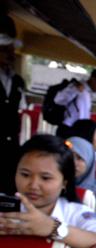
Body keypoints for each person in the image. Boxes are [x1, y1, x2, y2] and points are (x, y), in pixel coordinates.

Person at [0, 135, 96, 248]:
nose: (33, 185)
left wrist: (52, 228)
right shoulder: (5, 205)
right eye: (25, 175)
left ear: (64, 182)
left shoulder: (76, 213)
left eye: (45, 178)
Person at [0, 15, 26, 195]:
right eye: (4, 49)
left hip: (10, 152)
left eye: (11, 49)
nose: (11, 54)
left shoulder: (17, 81)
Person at [54, 69, 96, 139]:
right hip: (68, 128)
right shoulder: (76, 87)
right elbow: (58, 100)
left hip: (79, 130)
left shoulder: (87, 92)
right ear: (93, 79)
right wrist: (75, 90)